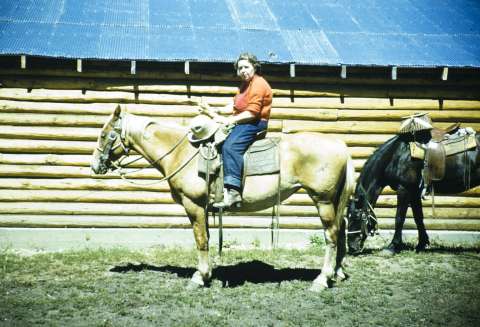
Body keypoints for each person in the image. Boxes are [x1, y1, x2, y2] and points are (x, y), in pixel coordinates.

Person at [199, 53, 272, 209]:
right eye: (240, 68)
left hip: (255, 123)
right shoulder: (244, 86)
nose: (243, 71)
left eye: (246, 67)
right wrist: (215, 110)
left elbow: (252, 112)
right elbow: (234, 107)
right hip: (244, 121)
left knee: (230, 147)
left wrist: (228, 120)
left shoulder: (258, 84)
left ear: (254, 67)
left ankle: (233, 192)